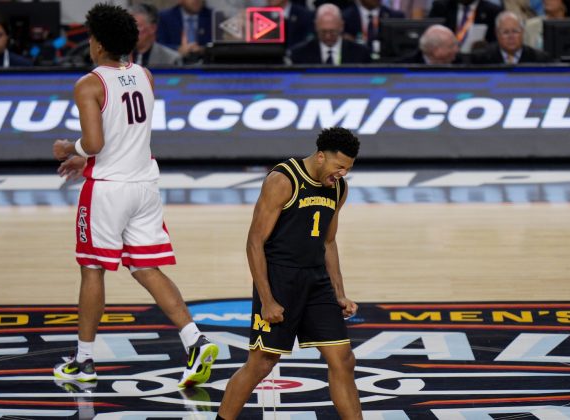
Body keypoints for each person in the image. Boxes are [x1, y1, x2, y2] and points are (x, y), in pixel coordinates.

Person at [51, 3, 218, 387]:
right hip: (144, 185)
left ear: (97, 43)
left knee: (92, 269)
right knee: (145, 267)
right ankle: (194, 340)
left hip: (108, 190)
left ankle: (84, 361)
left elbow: (94, 143)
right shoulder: (145, 75)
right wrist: (85, 158)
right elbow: (124, 133)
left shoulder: (89, 84)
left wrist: (68, 148)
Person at [217, 127, 362, 420]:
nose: (342, 173)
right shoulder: (283, 180)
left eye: (347, 169)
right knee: (261, 363)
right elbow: (255, 242)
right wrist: (267, 299)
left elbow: (329, 242)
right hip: (280, 280)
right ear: (320, 157)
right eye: (339, 166)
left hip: (317, 280)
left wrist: (339, 293)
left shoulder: (338, 188)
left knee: (344, 359)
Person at [287, 3, 371, 65]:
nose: (328, 36)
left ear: (341, 26)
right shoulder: (299, 54)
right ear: (315, 26)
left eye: (332, 32)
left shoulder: (360, 54)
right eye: (323, 32)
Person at [471, 10, 552, 63]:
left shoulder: (539, 59)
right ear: (497, 34)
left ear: (522, 32)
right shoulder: (481, 59)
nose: (511, 37)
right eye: (505, 32)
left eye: (515, 31)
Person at [428, 0, 504, 44]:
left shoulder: (493, 12)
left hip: (480, 61)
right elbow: (429, 36)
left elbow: (497, 43)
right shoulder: (441, 7)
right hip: (446, 58)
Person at [397, 24, 465, 64]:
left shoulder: (459, 63)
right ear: (436, 50)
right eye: (451, 46)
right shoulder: (404, 67)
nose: (456, 50)